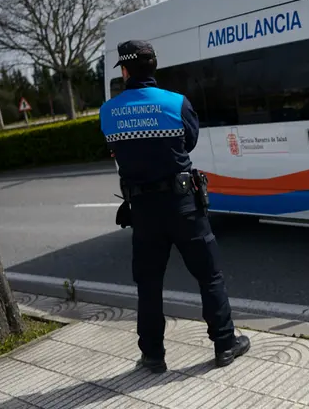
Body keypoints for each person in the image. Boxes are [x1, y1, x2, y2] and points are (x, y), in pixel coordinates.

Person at [100, 40, 250, 373]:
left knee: (149, 284)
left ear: (124, 72)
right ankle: (225, 345)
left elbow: (115, 149)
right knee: (209, 276)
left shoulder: (108, 111)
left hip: (142, 209)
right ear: (153, 67)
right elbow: (189, 141)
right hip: (183, 204)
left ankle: (153, 355)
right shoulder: (177, 103)